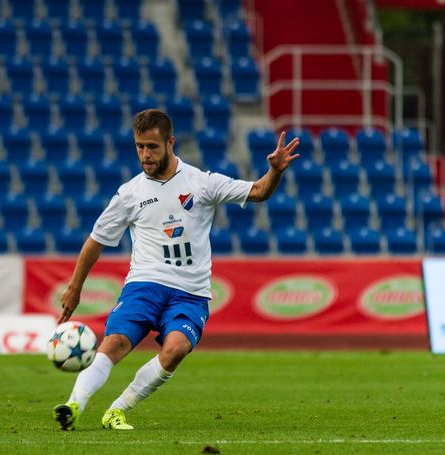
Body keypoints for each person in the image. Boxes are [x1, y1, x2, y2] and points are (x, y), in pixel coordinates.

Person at [53, 109, 300, 431]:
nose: (145, 154)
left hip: (190, 292)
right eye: (139, 146)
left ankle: (117, 409)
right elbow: (95, 241)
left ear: (170, 143)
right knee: (113, 343)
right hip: (145, 284)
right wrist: (75, 287)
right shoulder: (130, 193)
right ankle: (74, 405)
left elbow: (258, 192)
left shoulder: (201, 182)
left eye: (152, 146)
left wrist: (275, 171)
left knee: (176, 349)